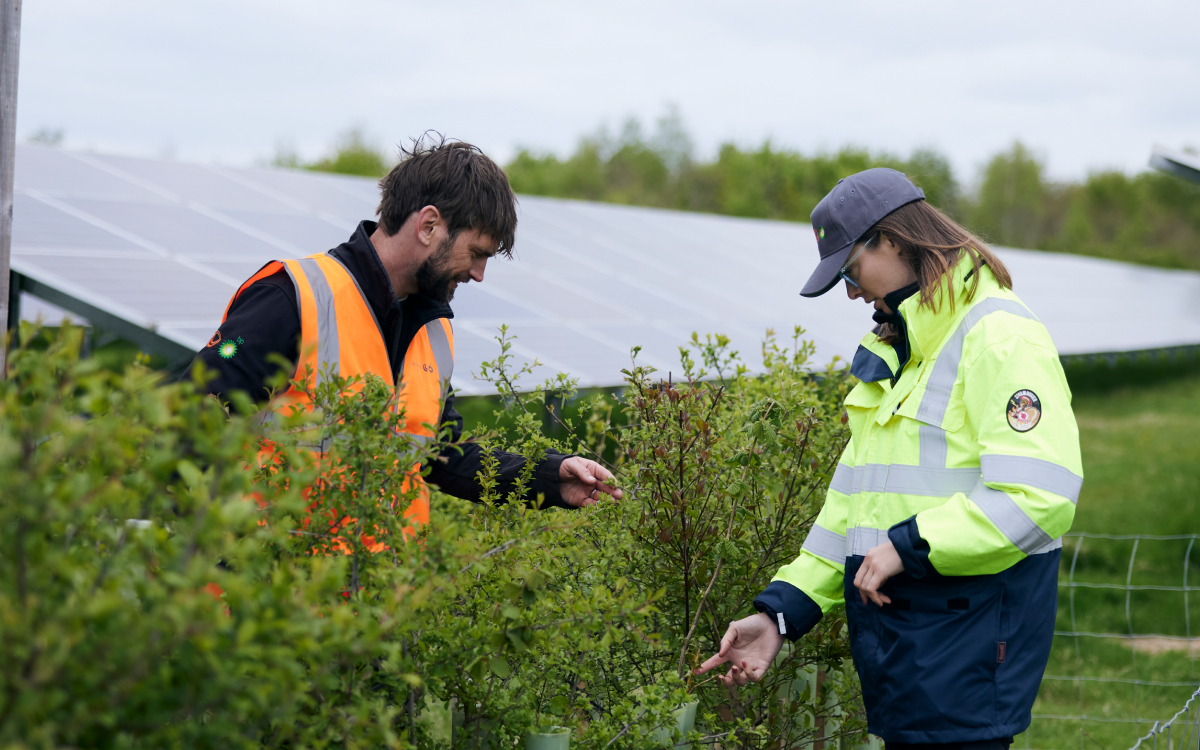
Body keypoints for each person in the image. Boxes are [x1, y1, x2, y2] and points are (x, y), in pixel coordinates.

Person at [696, 169, 1082, 749]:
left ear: (894, 241)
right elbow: (855, 510)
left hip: (967, 649)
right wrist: (782, 613)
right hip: (911, 654)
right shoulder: (900, 352)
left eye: (852, 272)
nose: (852, 293)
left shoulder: (1000, 337)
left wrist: (910, 546)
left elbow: (1038, 497)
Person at [189, 136, 621, 523]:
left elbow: (442, 455)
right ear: (429, 225)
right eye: (476, 252)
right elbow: (188, 419)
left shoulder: (431, 329)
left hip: (375, 603)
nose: (479, 273)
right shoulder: (293, 299)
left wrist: (550, 478)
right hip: (272, 601)